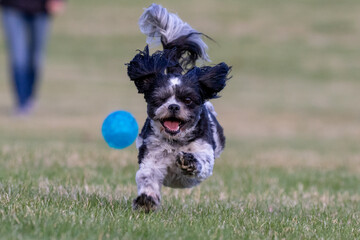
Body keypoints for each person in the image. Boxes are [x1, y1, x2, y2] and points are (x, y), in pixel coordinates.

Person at [1, 0, 65, 115]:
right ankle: (21, 103)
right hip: (12, 6)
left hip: (40, 8)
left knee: (35, 58)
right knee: (18, 57)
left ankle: (30, 97)